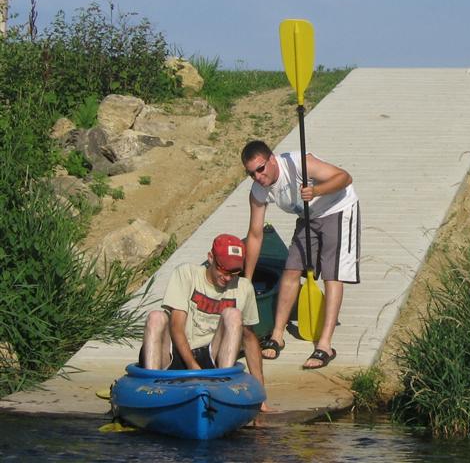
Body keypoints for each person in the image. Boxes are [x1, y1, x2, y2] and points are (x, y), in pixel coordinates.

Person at [241, 140, 360, 370]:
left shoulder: (299, 164)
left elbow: (345, 177)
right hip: (309, 216)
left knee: (331, 274)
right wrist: (247, 279)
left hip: (338, 208)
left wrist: (316, 190)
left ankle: (324, 345)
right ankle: (277, 335)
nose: (257, 176)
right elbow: (255, 235)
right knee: (291, 268)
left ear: (272, 160)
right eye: (251, 173)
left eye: (260, 168)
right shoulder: (258, 191)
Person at [139, 233, 269, 412]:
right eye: (223, 269)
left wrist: (260, 395)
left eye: (234, 272)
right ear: (210, 258)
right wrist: (193, 368)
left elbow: (249, 339)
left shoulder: (244, 287)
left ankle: (225, 388)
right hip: (175, 353)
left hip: (210, 356)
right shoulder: (187, 273)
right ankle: (151, 391)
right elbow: (176, 327)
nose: (228, 277)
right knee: (156, 317)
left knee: (233, 315)